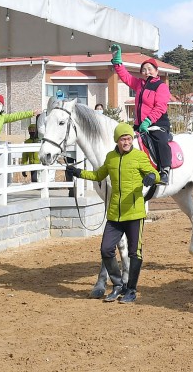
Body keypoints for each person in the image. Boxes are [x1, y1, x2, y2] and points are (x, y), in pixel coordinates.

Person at [65, 122, 164, 304]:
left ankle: (131, 290)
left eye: (128, 138)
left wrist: (152, 177)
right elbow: (98, 176)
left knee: (135, 253)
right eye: (122, 139)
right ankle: (118, 284)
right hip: (114, 215)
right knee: (106, 249)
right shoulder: (110, 157)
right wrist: (78, 172)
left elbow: (155, 174)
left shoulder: (139, 157)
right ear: (117, 140)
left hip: (134, 213)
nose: (126, 142)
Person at [109, 44, 172, 183]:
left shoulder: (161, 86)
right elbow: (125, 76)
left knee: (160, 141)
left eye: (150, 69)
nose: (147, 72)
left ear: (156, 71)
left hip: (157, 125)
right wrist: (118, 61)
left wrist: (148, 121)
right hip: (139, 126)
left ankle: (165, 171)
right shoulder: (139, 84)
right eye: (144, 70)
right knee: (124, 141)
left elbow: (160, 107)